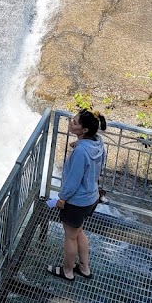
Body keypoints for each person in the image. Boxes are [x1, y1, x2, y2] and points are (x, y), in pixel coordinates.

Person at [47, 109, 106, 281]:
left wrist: (62, 198)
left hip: (76, 202)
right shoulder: (97, 142)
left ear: (85, 130)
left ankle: (67, 271)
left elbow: (73, 180)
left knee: (70, 237)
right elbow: (93, 156)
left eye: (75, 122)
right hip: (91, 197)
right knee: (79, 232)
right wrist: (78, 144)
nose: (71, 123)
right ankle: (85, 268)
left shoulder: (81, 152)